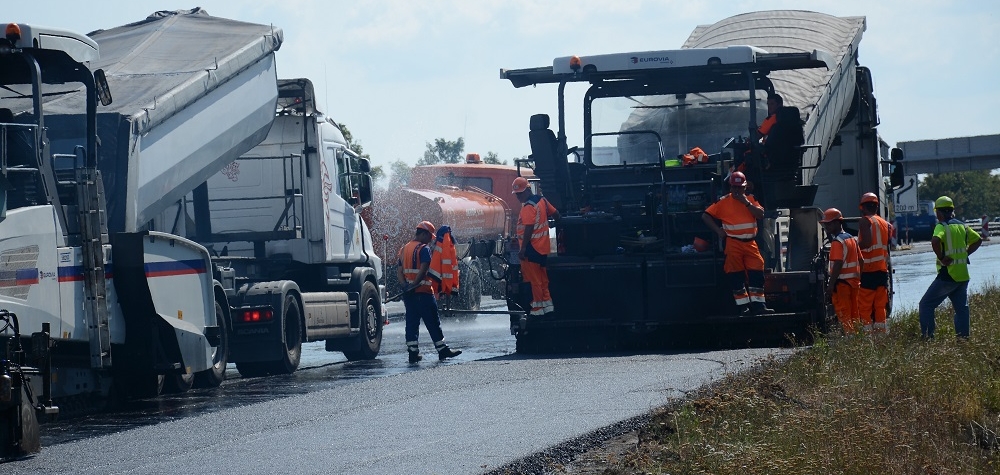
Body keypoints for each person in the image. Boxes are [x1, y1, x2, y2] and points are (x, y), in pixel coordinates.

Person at [701, 171, 774, 315]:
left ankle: (759, 305)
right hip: (733, 243)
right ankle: (743, 307)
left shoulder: (751, 200)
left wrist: (746, 203)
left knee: (757, 271)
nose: (736, 190)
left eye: (739, 187)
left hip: (750, 243)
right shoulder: (723, 202)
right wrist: (718, 230)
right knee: (736, 275)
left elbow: (760, 215)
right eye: (734, 187)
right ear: (730, 187)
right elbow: (705, 216)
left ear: (745, 187)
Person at [397, 220, 462, 363]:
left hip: (410, 294)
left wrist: (405, 286)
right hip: (424, 292)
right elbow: (424, 268)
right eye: (429, 236)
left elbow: (399, 271)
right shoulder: (423, 248)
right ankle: (442, 350)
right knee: (433, 321)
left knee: (411, 323)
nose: (430, 240)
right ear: (424, 234)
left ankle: (413, 353)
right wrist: (415, 283)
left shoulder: (404, 248)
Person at [918, 196, 982, 339]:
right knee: (961, 309)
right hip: (962, 275)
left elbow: (935, 241)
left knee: (926, 305)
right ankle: (963, 339)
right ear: (952, 211)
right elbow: (978, 239)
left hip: (948, 275)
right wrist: (966, 253)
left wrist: (941, 257)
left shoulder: (941, 226)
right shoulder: (962, 226)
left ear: (939, 213)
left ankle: (928, 338)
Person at [512, 176, 560, 316]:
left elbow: (529, 227)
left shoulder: (528, 207)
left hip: (531, 248)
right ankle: (548, 307)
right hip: (543, 248)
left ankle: (537, 310)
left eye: (520, 194)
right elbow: (556, 214)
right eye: (517, 194)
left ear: (527, 190)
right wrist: (553, 222)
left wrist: (523, 249)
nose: (518, 197)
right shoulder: (542, 201)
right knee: (543, 279)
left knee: (534, 280)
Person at [820, 208, 863, 334]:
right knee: (855, 314)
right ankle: (857, 338)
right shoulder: (852, 239)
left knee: (844, 313)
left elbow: (838, 263)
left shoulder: (837, 242)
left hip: (842, 285)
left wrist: (830, 286)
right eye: (825, 224)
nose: (826, 226)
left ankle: (849, 339)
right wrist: (858, 278)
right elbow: (862, 261)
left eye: (829, 223)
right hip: (854, 284)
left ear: (838, 223)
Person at [857, 192, 891, 334]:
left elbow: (866, 242)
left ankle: (867, 338)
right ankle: (881, 336)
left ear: (863, 208)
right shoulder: (886, 224)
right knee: (880, 306)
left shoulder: (865, 221)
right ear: (877, 207)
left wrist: (854, 245)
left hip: (868, 271)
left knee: (864, 306)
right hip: (882, 271)